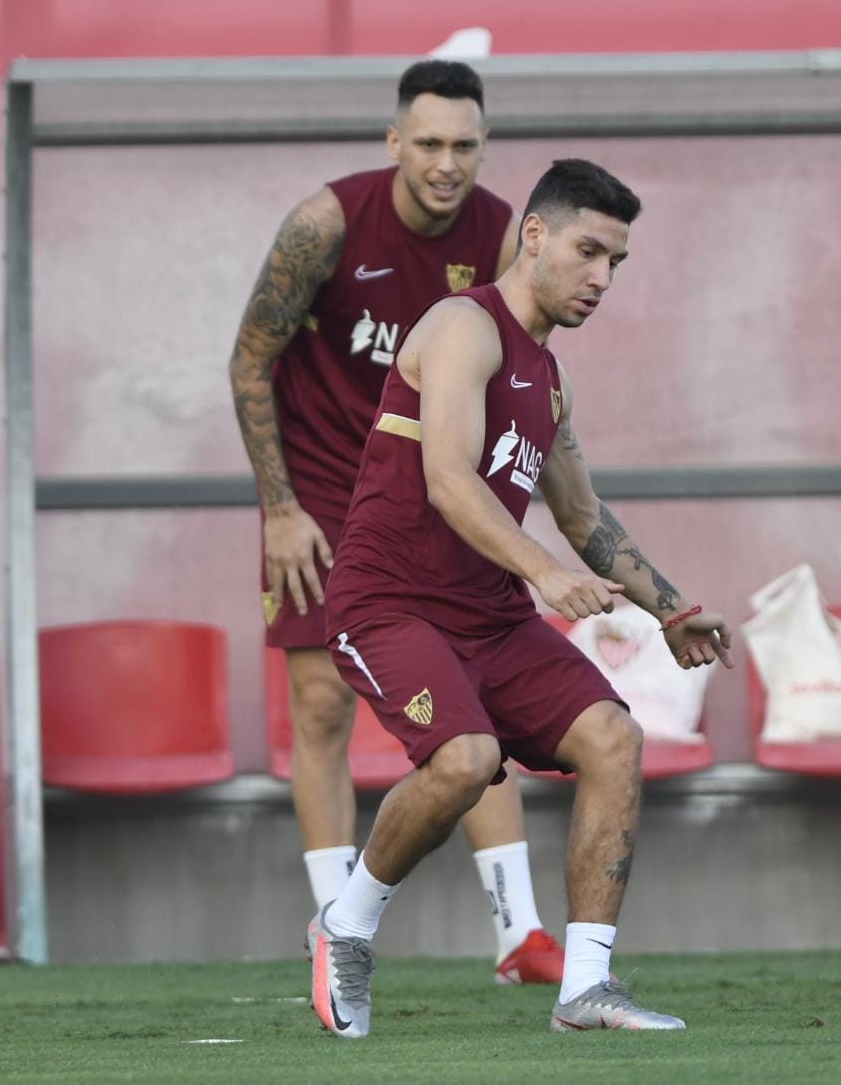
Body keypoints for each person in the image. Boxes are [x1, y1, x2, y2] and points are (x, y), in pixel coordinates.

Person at [307, 158, 733, 1037]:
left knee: (614, 738)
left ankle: (584, 987)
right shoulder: (464, 327)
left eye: (616, 263)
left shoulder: (553, 378)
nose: (601, 279)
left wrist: (672, 610)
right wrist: (543, 573)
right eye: (588, 252)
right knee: (463, 758)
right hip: (390, 601)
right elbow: (447, 481)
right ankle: (343, 925)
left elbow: (583, 514)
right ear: (534, 235)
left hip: (489, 617)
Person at [228, 59, 563, 984]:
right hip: (322, 494)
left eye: (463, 145)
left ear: (484, 148)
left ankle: (521, 936)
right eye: (428, 143)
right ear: (394, 143)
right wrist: (281, 507)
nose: (446, 162)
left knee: (476, 697)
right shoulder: (326, 223)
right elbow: (249, 359)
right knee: (321, 704)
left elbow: (511, 377)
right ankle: (334, 921)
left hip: (436, 487)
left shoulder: (506, 234)